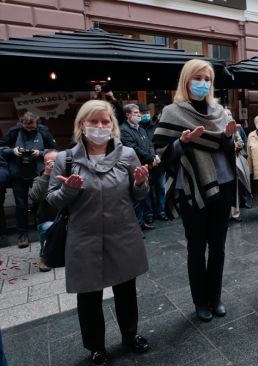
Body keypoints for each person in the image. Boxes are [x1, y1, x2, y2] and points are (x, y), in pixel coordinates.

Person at [47, 99, 151, 366]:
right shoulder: (65, 159)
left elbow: (139, 195)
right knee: (89, 296)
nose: (100, 126)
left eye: (106, 122)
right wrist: (69, 189)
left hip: (123, 233)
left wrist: (140, 182)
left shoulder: (127, 154)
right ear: (82, 125)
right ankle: (96, 347)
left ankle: (130, 335)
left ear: (113, 126)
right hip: (84, 237)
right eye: (94, 121)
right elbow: (52, 201)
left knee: (126, 290)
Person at [153, 59, 237, 322]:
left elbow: (227, 150)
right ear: (186, 80)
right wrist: (181, 142)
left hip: (221, 184)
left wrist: (227, 139)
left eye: (207, 79)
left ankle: (216, 297)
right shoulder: (172, 112)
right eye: (198, 78)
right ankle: (200, 301)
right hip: (191, 187)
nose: (203, 83)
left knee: (219, 247)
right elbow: (162, 154)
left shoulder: (220, 111)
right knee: (197, 248)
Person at [0, 111, 58, 247]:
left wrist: (41, 153)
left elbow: (55, 150)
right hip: (18, 173)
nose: (31, 129)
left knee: (41, 201)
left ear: (37, 123)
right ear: (21, 123)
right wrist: (12, 151)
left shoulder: (43, 131)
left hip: (38, 171)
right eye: (27, 127)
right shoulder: (14, 131)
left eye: (33, 127)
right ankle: (22, 235)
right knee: (20, 205)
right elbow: (1, 148)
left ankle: (42, 229)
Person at [120, 104, 158, 231]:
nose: (139, 115)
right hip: (135, 167)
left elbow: (149, 144)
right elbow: (132, 148)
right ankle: (137, 224)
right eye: (136, 113)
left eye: (139, 112)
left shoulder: (141, 129)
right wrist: (149, 158)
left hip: (147, 165)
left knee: (145, 194)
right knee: (136, 199)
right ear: (128, 115)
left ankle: (144, 220)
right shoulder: (123, 130)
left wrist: (152, 157)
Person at [28, 149, 59, 272]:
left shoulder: (71, 173)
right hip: (50, 221)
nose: (53, 164)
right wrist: (47, 174)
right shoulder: (39, 179)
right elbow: (35, 197)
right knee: (48, 227)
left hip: (71, 219)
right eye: (49, 162)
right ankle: (44, 256)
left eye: (56, 161)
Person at [138, 104, 169, 221]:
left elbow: (159, 143)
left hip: (158, 163)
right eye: (143, 113)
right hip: (145, 164)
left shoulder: (155, 126)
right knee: (147, 190)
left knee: (161, 188)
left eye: (147, 112)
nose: (146, 115)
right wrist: (149, 159)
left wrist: (156, 157)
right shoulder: (138, 128)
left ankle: (161, 211)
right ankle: (149, 214)